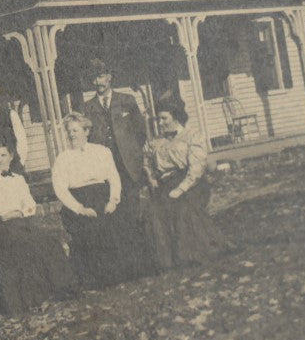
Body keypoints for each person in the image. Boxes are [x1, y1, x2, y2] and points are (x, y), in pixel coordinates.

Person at [0, 143, 73, 313]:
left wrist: (20, 212)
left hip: (21, 222)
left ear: (11, 156)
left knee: (49, 241)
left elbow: (30, 204)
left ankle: (62, 288)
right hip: (1, 228)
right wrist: (13, 213)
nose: (0, 160)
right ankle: (31, 298)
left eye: (3, 155)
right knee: (23, 244)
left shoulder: (19, 179)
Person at [81, 59, 154, 279]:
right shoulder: (87, 107)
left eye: (102, 76)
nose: (98, 82)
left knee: (133, 211)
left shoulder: (127, 101)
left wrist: (134, 156)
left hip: (128, 167)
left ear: (109, 77)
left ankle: (144, 263)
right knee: (114, 215)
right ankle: (123, 267)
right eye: (94, 78)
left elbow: (140, 132)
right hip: (105, 170)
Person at [50, 112, 125, 290]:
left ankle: (114, 274)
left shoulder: (102, 151)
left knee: (110, 225)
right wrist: (79, 208)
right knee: (87, 229)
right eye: (69, 131)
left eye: (75, 130)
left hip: (102, 196)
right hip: (78, 200)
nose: (72, 134)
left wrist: (113, 200)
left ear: (86, 131)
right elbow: (60, 189)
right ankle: (92, 279)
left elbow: (114, 178)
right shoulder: (63, 158)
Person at [145, 96, 221, 268]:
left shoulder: (192, 135)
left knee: (183, 208)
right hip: (165, 184)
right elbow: (147, 163)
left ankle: (191, 255)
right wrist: (152, 179)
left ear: (176, 116)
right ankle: (167, 262)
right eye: (158, 119)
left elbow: (196, 168)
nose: (160, 123)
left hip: (191, 184)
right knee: (154, 213)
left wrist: (180, 189)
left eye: (164, 118)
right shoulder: (155, 141)